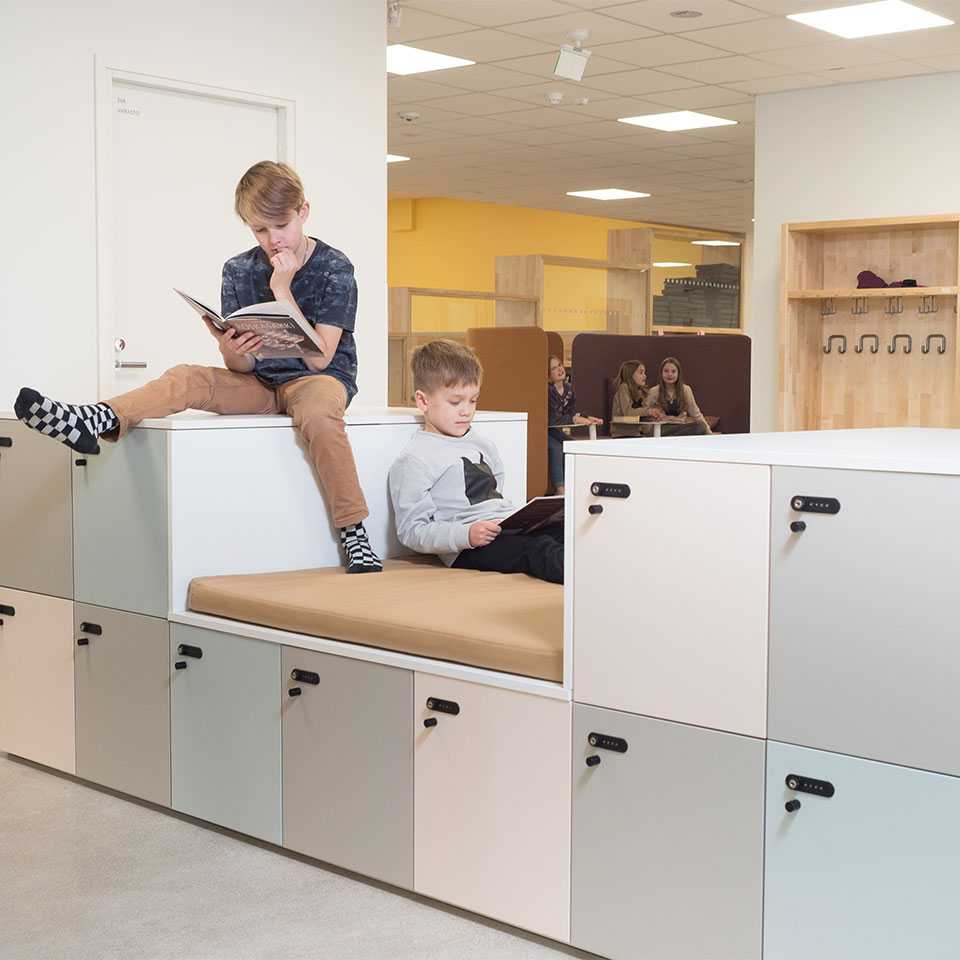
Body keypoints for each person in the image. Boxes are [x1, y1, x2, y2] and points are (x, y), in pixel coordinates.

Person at [15, 160, 381, 573]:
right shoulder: (238, 269)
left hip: (318, 380)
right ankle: (96, 418)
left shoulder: (335, 267)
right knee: (187, 376)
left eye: (281, 225)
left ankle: (354, 533)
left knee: (318, 412)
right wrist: (230, 345)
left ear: (304, 212)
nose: (273, 239)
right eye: (260, 230)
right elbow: (240, 365)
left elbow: (321, 357)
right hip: (260, 381)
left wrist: (282, 290)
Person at [389, 340, 564, 584]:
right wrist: (466, 535)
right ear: (423, 401)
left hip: (503, 525)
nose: (466, 411)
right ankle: (595, 583)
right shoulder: (415, 459)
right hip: (466, 546)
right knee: (538, 550)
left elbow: (495, 493)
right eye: (455, 402)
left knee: (566, 532)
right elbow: (411, 530)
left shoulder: (481, 443)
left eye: (473, 401)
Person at [547, 354, 601, 495]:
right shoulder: (548, 391)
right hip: (544, 431)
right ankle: (560, 489)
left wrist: (586, 417)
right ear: (548, 375)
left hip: (555, 431)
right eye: (554, 368)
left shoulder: (569, 389)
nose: (559, 369)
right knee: (556, 448)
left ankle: (576, 484)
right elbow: (552, 419)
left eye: (560, 365)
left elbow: (572, 412)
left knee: (571, 445)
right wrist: (574, 419)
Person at [642, 356, 711, 436]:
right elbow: (645, 413)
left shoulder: (686, 390)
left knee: (700, 427)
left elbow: (696, 413)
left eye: (673, 371)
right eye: (666, 371)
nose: (670, 374)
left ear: (678, 374)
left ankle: (671, 439)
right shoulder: (654, 391)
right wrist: (646, 432)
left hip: (680, 427)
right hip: (661, 428)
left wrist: (709, 433)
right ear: (661, 373)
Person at [610, 359, 664, 438]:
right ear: (630, 374)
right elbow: (627, 412)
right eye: (641, 373)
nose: (644, 376)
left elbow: (643, 413)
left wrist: (654, 415)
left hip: (639, 433)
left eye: (644, 373)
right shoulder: (624, 388)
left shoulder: (642, 391)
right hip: (622, 434)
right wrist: (648, 411)